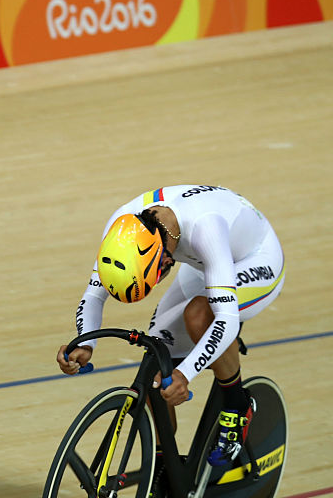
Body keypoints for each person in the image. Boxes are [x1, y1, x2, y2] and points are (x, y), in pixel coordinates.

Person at [57, 185, 285, 479]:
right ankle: (165, 474)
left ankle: (238, 407)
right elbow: (94, 295)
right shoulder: (122, 231)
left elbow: (225, 318)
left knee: (200, 314)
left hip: (254, 258)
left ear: (164, 262)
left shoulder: (206, 229)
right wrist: (86, 343)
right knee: (157, 356)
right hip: (202, 262)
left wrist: (185, 374)